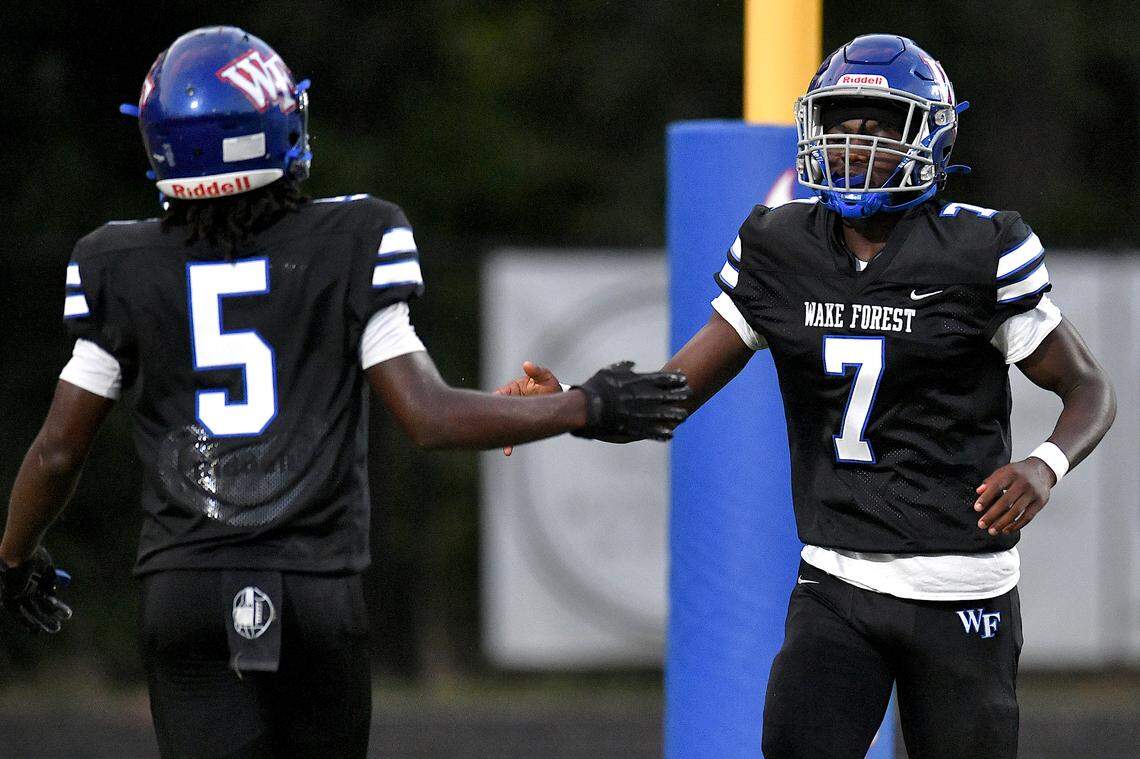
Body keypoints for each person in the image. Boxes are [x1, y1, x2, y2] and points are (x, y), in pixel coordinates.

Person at [0, 26, 689, 759]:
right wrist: (584, 403)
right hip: (313, 589)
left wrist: (13, 557)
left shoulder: (118, 262)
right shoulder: (352, 236)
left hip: (186, 589)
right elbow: (428, 415)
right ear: (278, 124)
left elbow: (56, 451)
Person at [496, 34, 1116, 758]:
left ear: (933, 135)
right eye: (843, 123)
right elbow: (675, 391)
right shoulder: (780, 244)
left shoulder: (981, 251)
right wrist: (564, 402)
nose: (856, 143)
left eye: (880, 126)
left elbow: (1088, 386)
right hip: (834, 579)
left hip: (961, 585)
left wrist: (1045, 464)